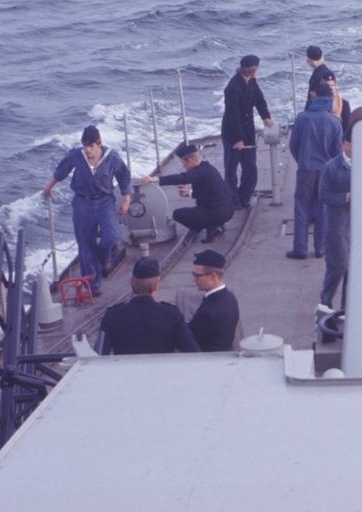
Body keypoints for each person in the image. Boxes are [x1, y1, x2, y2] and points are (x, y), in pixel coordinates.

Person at [42, 125, 132, 297]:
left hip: (105, 202)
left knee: (112, 235)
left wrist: (127, 199)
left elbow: (124, 176)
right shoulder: (76, 155)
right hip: (82, 203)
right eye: (85, 145)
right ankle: (93, 284)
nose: (87, 149)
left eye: (91, 146)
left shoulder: (111, 157)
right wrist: (48, 187)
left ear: (99, 144)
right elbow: (61, 171)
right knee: (86, 245)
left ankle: (105, 257)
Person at [287, 80, 343, 259]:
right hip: (326, 171)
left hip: (305, 169)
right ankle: (321, 248)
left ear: (315, 97)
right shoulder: (335, 122)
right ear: (330, 99)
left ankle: (300, 249)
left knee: (302, 208)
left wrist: (302, 160)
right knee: (323, 209)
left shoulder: (302, 118)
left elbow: (293, 145)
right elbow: (338, 151)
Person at [99, 258, 200, 355]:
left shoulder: (112, 315)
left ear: (131, 283)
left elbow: (99, 354)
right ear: (156, 285)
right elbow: (193, 352)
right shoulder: (172, 315)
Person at [141, 142, 235, 243]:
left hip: (218, 213)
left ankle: (211, 227)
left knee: (178, 214)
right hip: (228, 210)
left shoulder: (199, 172)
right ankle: (214, 224)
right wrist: (190, 192)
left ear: (189, 161)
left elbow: (181, 178)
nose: (183, 166)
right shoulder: (207, 167)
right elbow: (207, 192)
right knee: (200, 206)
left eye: (183, 163)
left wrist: (155, 179)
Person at [221, 55, 273, 209]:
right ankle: (233, 199)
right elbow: (233, 115)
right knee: (231, 168)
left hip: (248, 131)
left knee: (250, 166)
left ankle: (245, 196)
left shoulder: (252, 81)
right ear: (253, 70)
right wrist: (238, 139)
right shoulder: (232, 88)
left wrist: (265, 117)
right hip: (233, 133)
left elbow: (259, 99)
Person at [317, 132, 353, 310]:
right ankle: (326, 301)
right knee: (337, 266)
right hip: (336, 224)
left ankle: (347, 308)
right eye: (350, 145)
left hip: (355, 224)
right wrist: (347, 196)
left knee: (353, 269)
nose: (353, 149)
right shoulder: (330, 168)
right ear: (342, 143)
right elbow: (323, 195)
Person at [188, 249, 240, 352]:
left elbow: (188, 338)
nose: (193, 279)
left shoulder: (208, 312)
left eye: (197, 275)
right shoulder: (230, 297)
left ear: (213, 276)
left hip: (209, 359)